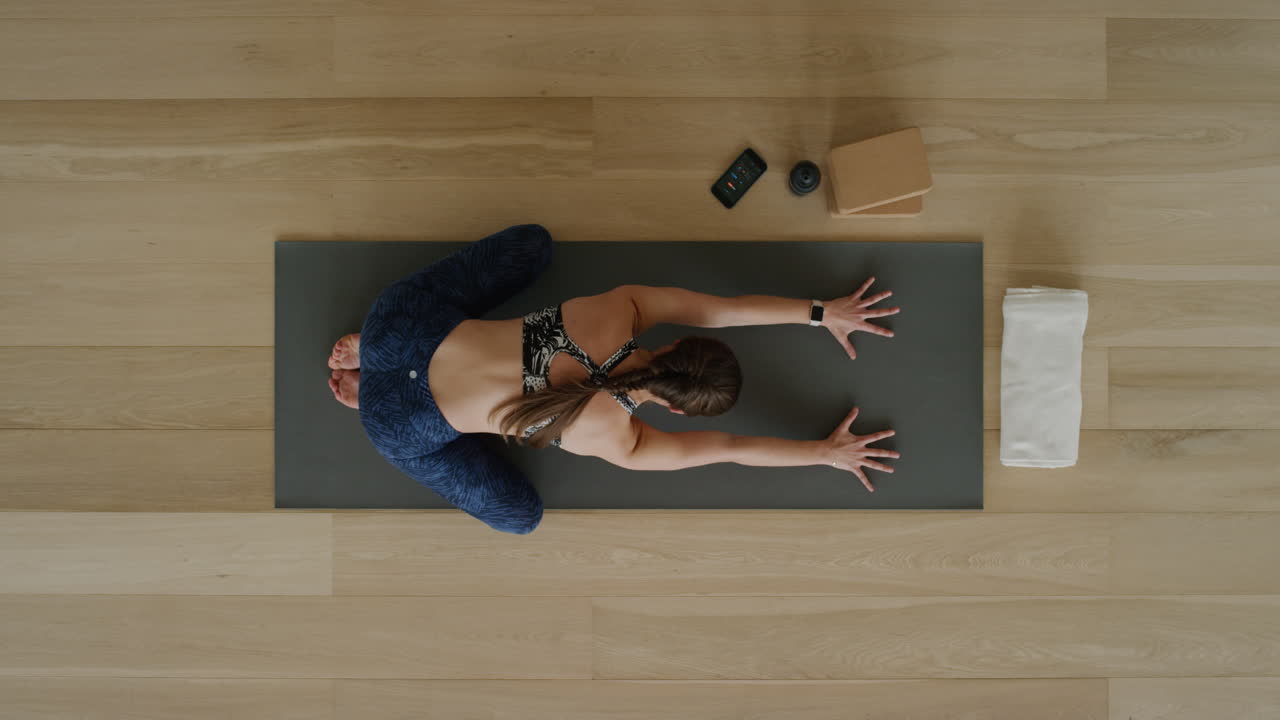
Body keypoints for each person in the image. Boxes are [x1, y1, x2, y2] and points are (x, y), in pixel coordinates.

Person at [327, 225, 900, 534]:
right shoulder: (621, 440)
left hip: (402, 325)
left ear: (676, 344)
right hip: (399, 421)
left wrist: (824, 311)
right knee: (520, 518)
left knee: (533, 245)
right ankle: (371, 393)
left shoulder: (618, 311)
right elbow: (731, 449)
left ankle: (374, 347)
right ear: (676, 410)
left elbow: (724, 309)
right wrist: (825, 453)